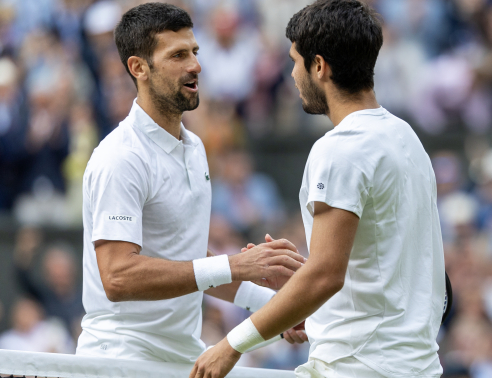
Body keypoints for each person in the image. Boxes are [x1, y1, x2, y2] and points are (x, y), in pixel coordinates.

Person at [191, 1, 446, 377]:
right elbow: (381, 267)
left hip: (357, 368)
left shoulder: (340, 148)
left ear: (320, 66)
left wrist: (232, 344)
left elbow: (327, 274)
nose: (292, 75)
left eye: (295, 61)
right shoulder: (407, 138)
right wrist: (311, 308)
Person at [76, 2, 305, 364]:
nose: (195, 64)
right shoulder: (120, 157)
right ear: (139, 68)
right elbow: (117, 277)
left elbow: (187, 258)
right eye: (178, 55)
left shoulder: (195, 148)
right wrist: (235, 265)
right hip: (121, 358)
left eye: (195, 51)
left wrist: (275, 306)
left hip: (181, 355)